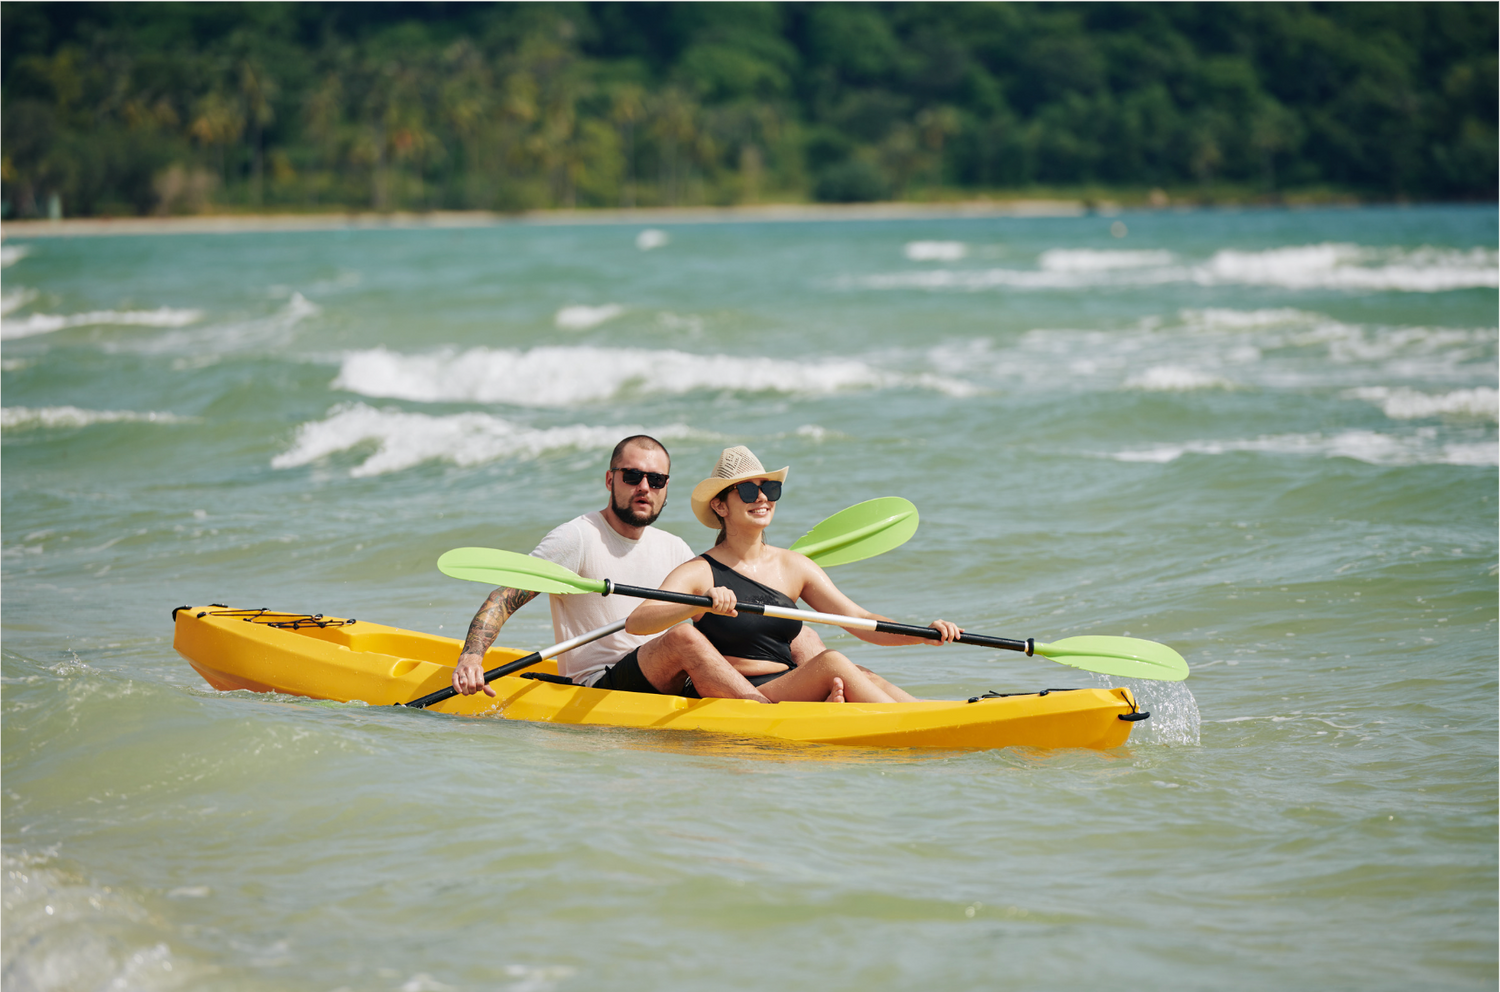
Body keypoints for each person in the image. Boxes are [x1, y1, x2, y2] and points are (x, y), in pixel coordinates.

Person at [452, 435, 829, 702]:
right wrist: (472, 656)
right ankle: (762, 713)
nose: (644, 487)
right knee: (683, 638)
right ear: (610, 479)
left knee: (801, 634)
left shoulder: (674, 548)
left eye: (656, 480)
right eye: (632, 476)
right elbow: (505, 596)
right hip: (603, 685)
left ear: (666, 488)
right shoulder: (578, 538)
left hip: (674, 677)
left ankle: (822, 697)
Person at [625, 445, 962, 703]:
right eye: (746, 490)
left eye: (769, 489)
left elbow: (860, 619)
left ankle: (940, 715)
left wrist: (924, 634)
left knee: (864, 676)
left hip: (787, 682)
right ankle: (915, 731)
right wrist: (699, 603)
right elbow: (639, 621)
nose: (761, 498)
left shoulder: (794, 566)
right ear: (720, 505)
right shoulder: (701, 571)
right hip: (736, 694)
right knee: (832, 662)